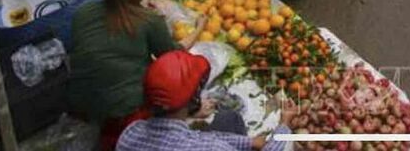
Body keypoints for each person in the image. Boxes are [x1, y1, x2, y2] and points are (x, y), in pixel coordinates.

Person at [69, 0, 202, 150]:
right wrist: (199, 28)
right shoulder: (148, 20)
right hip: (126, 111)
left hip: (83, 104)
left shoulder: (83, 11)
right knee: (176, 75)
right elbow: (174, 55)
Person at [116, 50, 291, 151]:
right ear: (192, 98)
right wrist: (284, 124)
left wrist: (249, 142)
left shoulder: (130, 134)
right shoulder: (213, 148)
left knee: (229, 119)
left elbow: (197, 138)